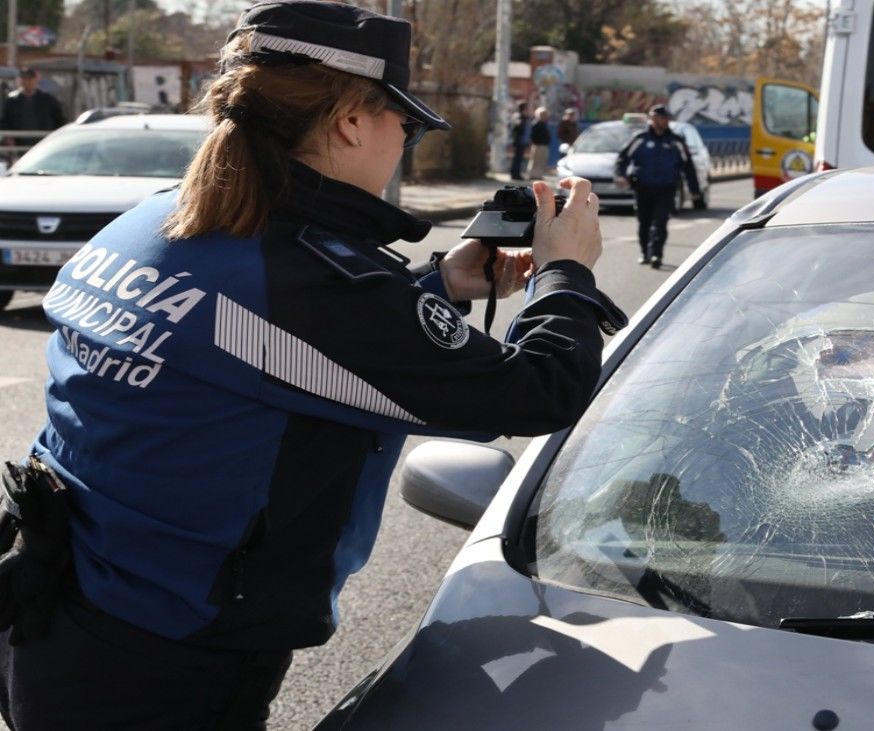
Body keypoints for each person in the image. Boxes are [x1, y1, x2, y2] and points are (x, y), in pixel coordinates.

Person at [0, 1, 621, 728]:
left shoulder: (156, 222)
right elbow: (538, 392)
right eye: (407, 124)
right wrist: (567, 273)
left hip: (55, 612)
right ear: (350, 121)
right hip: (164, 666)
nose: (406, 145)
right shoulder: (311, 285)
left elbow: (265, 345)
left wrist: (440, 286)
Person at [614, 104, 701, 269]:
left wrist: (694, 190)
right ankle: (644, 252)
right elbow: (622, 158)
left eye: (667, 118)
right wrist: (621, 176)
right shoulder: (640, 139)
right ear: (652, 119)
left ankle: (656, 254)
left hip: (666, 188)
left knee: (660, 223)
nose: (665, 121)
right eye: (662, 118)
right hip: (643, 188)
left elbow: (688, 166)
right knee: (644, 222)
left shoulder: (676, 141)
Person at [508, 101, 531, 180]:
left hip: (519, 140)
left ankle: (515, 173)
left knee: (518, 158)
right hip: (519, 140)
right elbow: (517, 127)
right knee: (518, 158)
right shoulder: (520, 116)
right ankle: (515, 174)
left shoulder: (517, 116)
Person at [528, 106, 551, 180]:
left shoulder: (544, 124)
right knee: (535, 161)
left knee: (542, 161)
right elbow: (532, 135)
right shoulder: (536, 124)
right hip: (538, 145)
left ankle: (538, 175)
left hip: (544, 145)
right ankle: (532, 175)